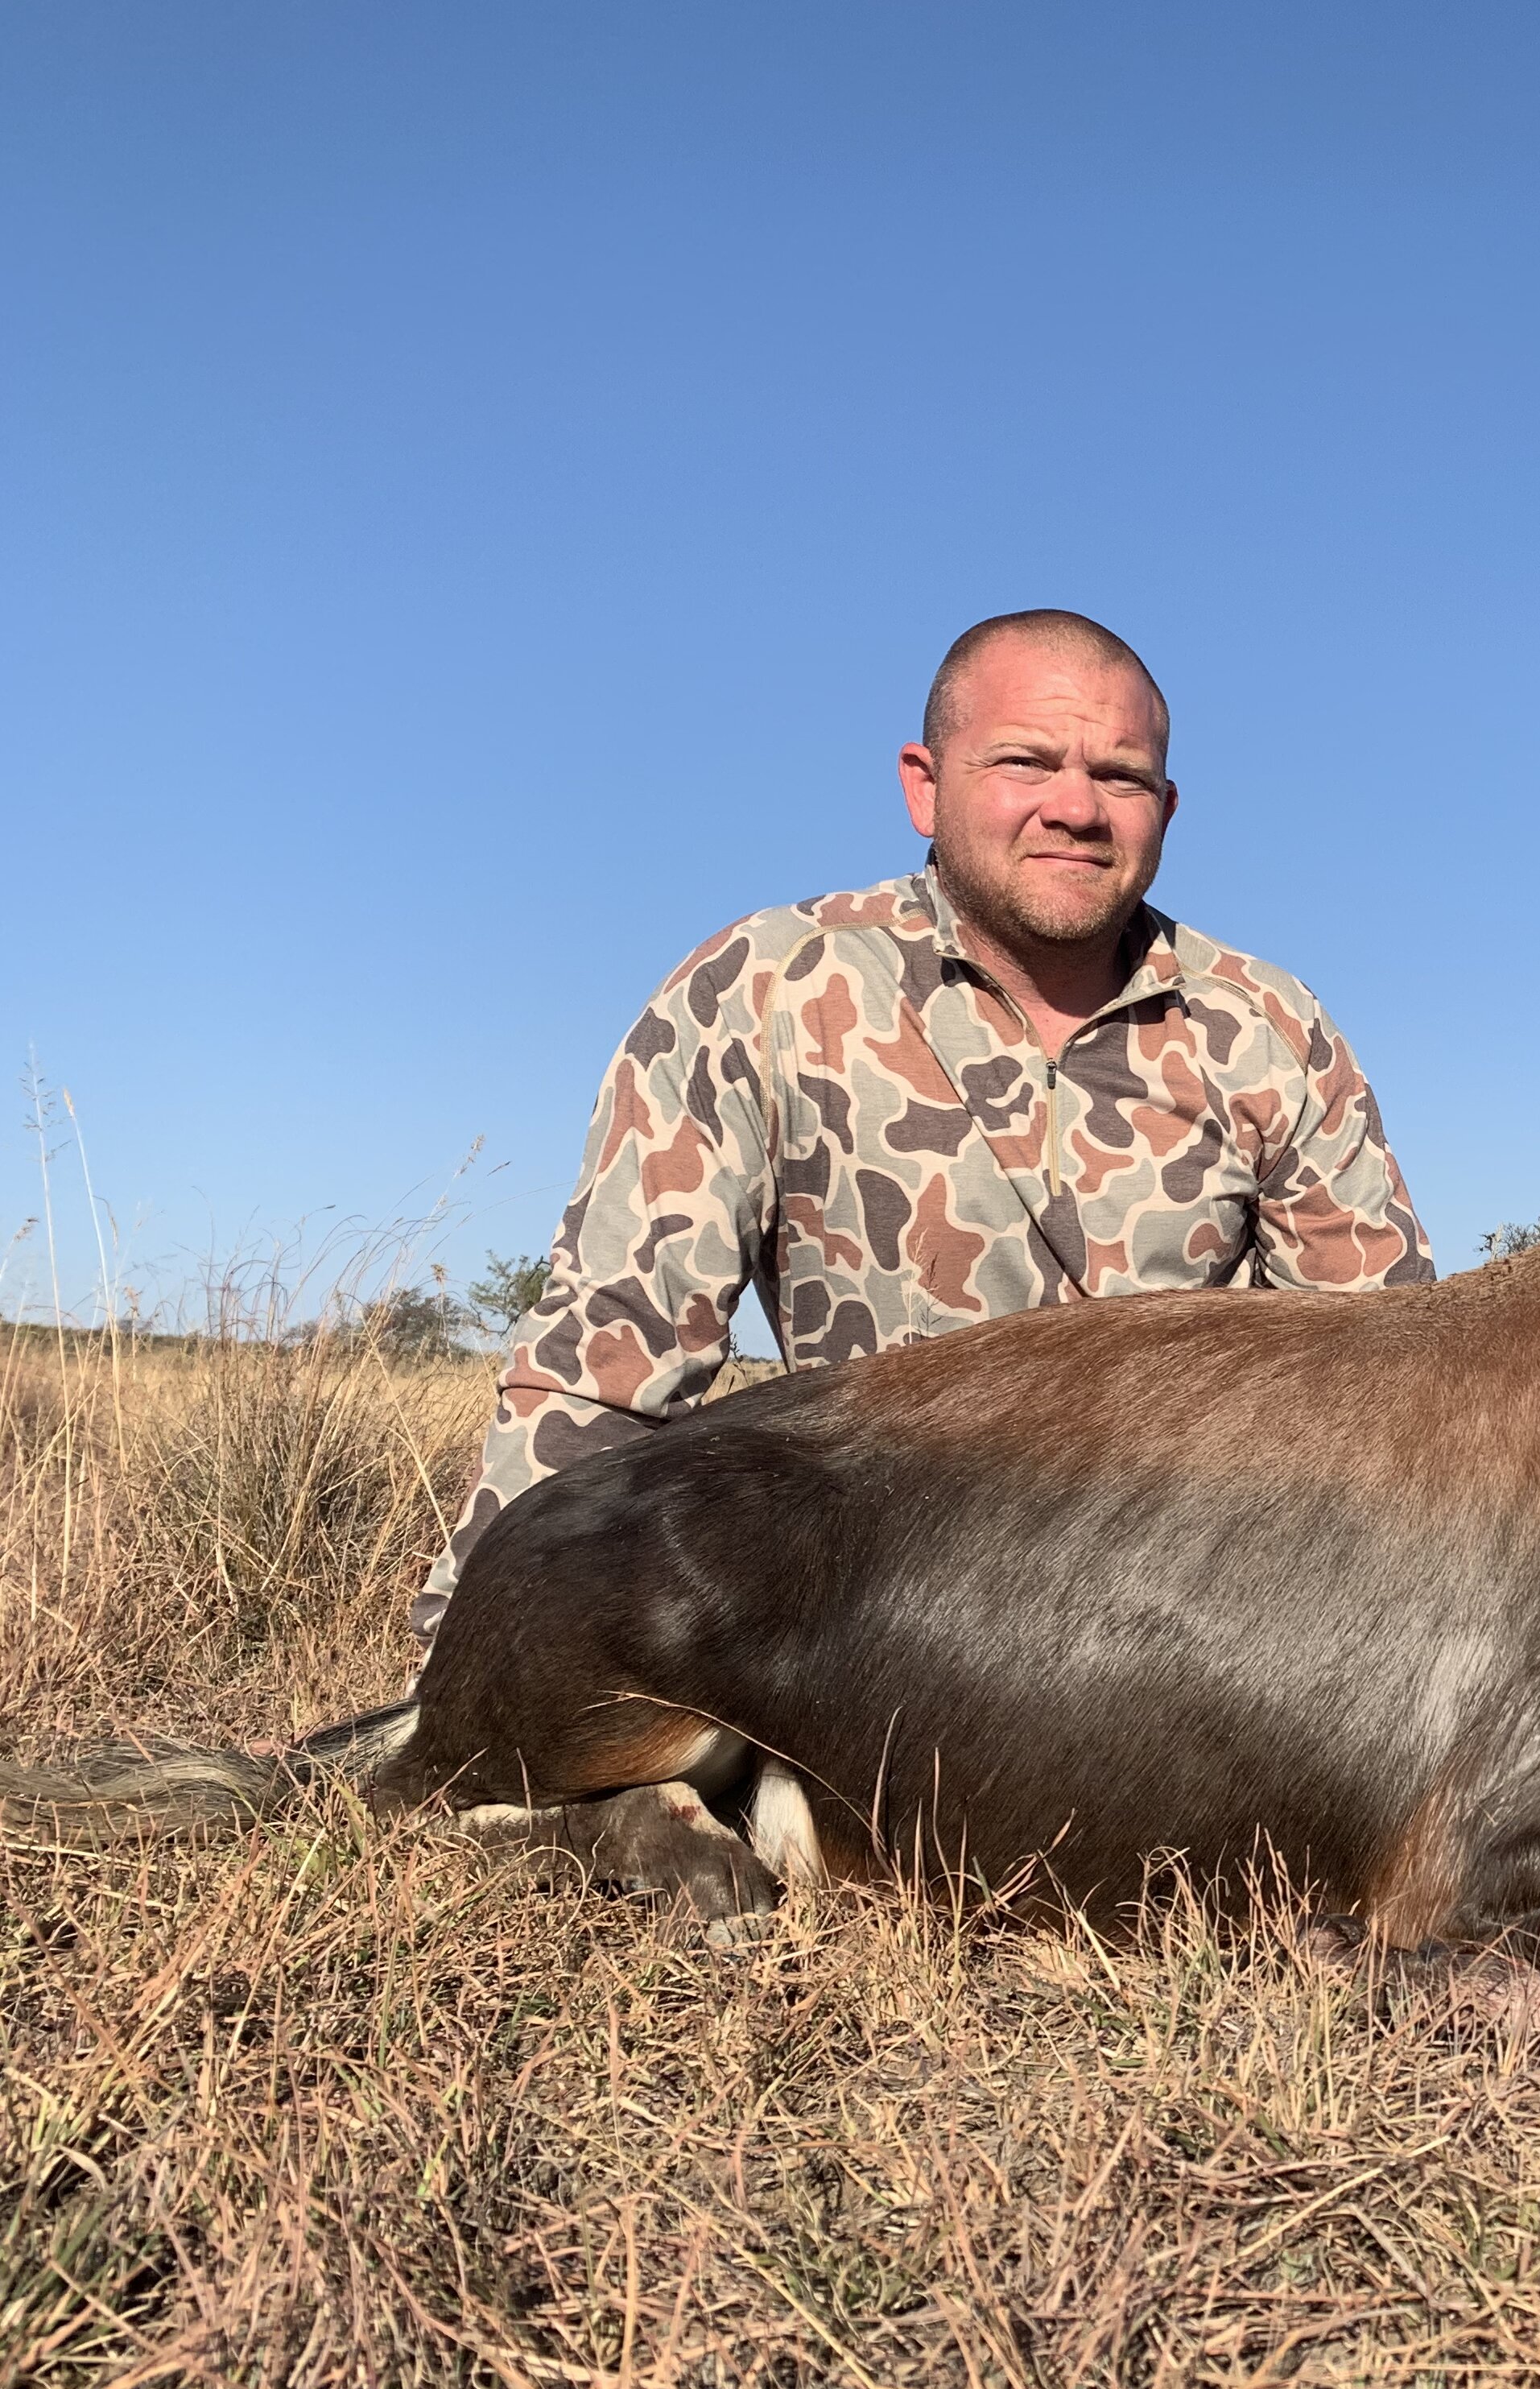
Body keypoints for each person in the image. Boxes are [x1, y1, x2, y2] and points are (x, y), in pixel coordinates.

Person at [414, 609, 1433, 1636]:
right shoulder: (768, 986)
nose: (1077, 808)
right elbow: (607, 1362)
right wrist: (466, 1654)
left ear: (1165, 807)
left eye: (1120, 777)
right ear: (923, 783)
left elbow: (1388, 1388)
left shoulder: (1269, 1026)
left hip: (1187, 1622)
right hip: (865, 1606)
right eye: (1026, 762)